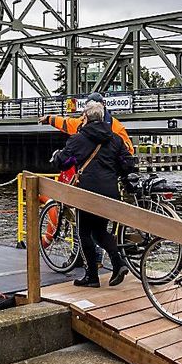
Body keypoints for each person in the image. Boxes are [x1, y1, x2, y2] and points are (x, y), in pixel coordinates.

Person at [50, 101, 132, 288]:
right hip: (110, 193)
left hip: (87, 193)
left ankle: (92, 277)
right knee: (100, 231)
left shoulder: (78, 139)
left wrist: (57, 157)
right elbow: (127, 163)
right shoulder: (115, 139)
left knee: (85, 233)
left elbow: (64, 161)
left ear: (85, 118)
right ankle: (118, 263)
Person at [40, 92, 135, 154]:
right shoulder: (115, 126)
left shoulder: (79, 126)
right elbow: (128, 150)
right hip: (108, 175)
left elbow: (65, 123)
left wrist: (49, 119)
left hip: (85, 176)